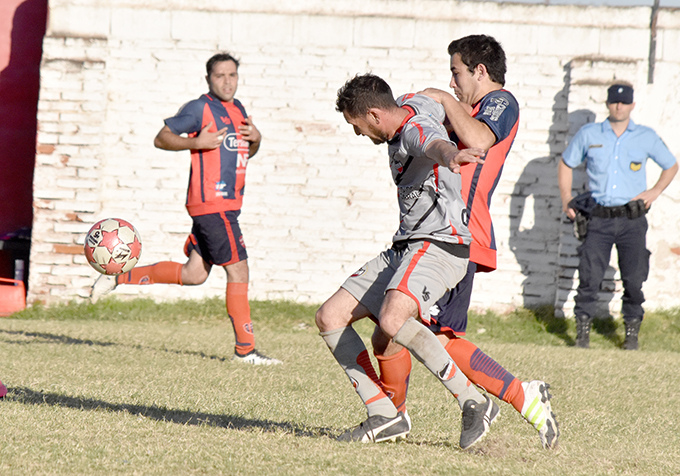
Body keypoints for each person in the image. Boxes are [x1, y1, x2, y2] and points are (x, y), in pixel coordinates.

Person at [371, 34, 559, 449]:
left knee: (434, 334)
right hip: (428, 232)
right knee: (389, 328)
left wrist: (441, 97)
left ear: (479, 71)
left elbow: (478, 140)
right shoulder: (465, 110)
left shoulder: (500, 102)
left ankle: (519, 395)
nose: (452, 81)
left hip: (457, 236)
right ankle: (390, 416)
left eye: (456, 72)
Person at [316, 73, 497, 450]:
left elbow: (431, 144)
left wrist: (452, 154)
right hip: (407, 245)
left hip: (441, 244)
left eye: (357, 125)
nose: (358, 134)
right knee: (330, 316)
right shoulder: (412, 103)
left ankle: (473, 400)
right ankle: (384, 412)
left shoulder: (413, 129)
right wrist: (448, 99)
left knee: (393, 319)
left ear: (374, 115)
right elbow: (433, 95)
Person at [90, 53, 281, 366]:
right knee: (239, 269)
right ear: (208, 79)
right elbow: (162, 137)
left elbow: (247, 150)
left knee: (194, 274)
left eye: (232, 75)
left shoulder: (238, 109)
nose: (227, 81)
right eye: (220, 76)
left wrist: (257, 139)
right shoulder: (199, 108)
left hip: (228, 206)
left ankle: (117, 278)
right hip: (212, 205)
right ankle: (245, 351)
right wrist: (196, 143)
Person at [558, 82, 678, 350]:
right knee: (589, 276)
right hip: (597, 218)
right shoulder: (590, 134)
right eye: (614, 101)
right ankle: (582, 335)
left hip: (631, 220)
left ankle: (631, 335)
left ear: (632, 105)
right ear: (608, 104)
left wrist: (655, 191)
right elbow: (566, 163)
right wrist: (566, 198)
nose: (619, 106)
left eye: (624, 102)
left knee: (634, 278)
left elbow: (671, 165)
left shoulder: (646, 136)